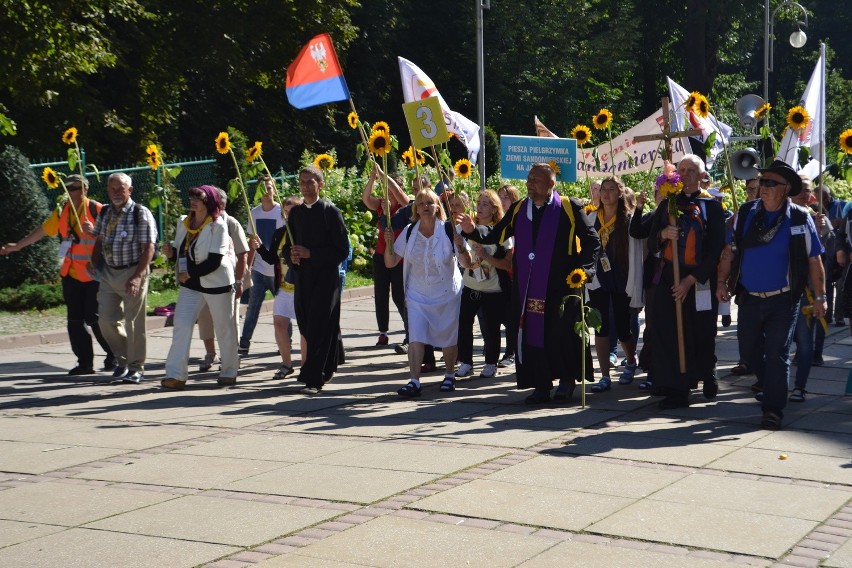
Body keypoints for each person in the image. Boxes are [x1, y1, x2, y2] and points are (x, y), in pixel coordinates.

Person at [460, 163, 601, 404]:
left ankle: (567, 381)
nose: (530, 183)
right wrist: (473, 231)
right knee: (534, 334)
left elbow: (592, 241)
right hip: (528, 286)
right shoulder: (518, 209)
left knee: (562, 334)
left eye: (536, 179)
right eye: (529, 178)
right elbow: (497, 235)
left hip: (561, 285)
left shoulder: (568, 206)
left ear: (551, 184)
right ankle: (541, 384)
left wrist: (583, 271)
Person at [717, 160, 826, 430]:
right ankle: (770, 383)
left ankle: (773, 409)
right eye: (762, 181)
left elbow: (814, 261)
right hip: (749, 298)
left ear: (785, 189)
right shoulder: (745, 213)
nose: (763, 187)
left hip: (783, 299)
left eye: (770, 183)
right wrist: (721, 280)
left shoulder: (800, 218)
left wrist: (821, 297)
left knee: (777, 354)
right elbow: (729, 250)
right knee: (749, 351)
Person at [1, 174, 115, 375]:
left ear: (85, 189)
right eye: (68, 188)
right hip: (70, 273)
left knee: (95, 318)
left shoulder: (97, 209)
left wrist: (95, 232)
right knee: (74, 320)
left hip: (93, 275)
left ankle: (113, 355)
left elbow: (112, 238)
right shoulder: (62, 211)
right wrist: (17, 246)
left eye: (75, 188)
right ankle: (84, 363)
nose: (70, 191)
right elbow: (43, 230)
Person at [647, 154, 725, 409]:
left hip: (699, 279)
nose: (687, 174)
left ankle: (707, 370)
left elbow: (715, 250)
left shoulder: (712, 207)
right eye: (682, 170)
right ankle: (677, 388)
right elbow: (650, 241)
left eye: (692, 170)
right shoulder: (669, 203)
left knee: (702, 331)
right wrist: (662, 233)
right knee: (670, 330)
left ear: (702, 176)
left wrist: (691, 280)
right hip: (671, 277)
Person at [384, 188, 472, 396]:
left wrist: (460, 247)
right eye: (421, 203)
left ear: (437, 207)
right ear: (416, 208)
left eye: (430, 203)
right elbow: (390, 262)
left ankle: (449, 375)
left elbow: (468, 263)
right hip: (417, 294)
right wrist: (388, 242)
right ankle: (414, 381)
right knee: (416, 336)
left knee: (448, 337)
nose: (425, 206)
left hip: (446, 295)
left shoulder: (450, 230)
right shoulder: (409, 231)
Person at [279, 166, 350, 394]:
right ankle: (325, 367)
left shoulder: (331, 212)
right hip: (303, 279)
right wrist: (293, 259)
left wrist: (312, 254)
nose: (306, 186)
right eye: (302, 182)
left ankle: (314, 378)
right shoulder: (297, 213)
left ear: (320, 184)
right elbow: (288, 247)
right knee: (307, 326)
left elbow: (341, 250)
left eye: (310, 182)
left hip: (326, 280)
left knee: (319, 325)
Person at [160, 186, 238, 389]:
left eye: (199, 198)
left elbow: (214, 261)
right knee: (182, 325)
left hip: (217, 283)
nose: (193, 201)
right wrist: (170, 253)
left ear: (209, 202)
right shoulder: (184, 222)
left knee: (224, 328)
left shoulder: (217, 225)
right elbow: (180, 252)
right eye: (192, 197)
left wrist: (191, 273)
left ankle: (229, 370)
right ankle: (176, 375)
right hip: (191, 285)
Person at [90, 172, 157, 384]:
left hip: (133, 271)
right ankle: (123, 360)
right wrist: (93, 262)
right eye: (112, 189)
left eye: (121, 188)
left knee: (134, 323)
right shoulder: (106, 212)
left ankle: (137, 368)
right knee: (105, 320)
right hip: (109, 273)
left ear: (130, 190)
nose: (117, 192)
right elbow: (99, 239)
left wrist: (137, 277)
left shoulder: (140, 213)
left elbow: (149, 247)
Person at [585, 176, 642, 393]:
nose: (606, 193)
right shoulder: (591, 217)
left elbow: (635, 252)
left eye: (611, 189)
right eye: (604, 190)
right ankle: (605, 375)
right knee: (601, 327)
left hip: (621, 278)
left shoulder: (627, 219)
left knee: (622, 327)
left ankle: (630, 359)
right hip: (599, 279)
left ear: (619, 193)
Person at [456, 190, 513, 380]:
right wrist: (462, 249)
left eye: (485, 204)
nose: (479, 207)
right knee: (464, 324)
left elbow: (508, 264)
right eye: (478, 203)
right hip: (471, 285)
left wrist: (487, 256)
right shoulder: (470, 228)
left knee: (491, 328)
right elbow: (465, 262)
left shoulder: (502, 232)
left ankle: (490, 363)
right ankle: (466, 362)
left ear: (494, 209)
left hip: (493, 289)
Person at [250, 195, 307, 381]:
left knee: (304, 328)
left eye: (293, 211)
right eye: (286, 212)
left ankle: (306, 367)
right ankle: (287, 364)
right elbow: (271, 258)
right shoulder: (280, 233)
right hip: (284, 287)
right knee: (279, 324)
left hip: (303, 288)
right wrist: (258, 247)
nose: (289, 215)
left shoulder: (306, 233)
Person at [194, 187, 249, 372]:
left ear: (222, 204)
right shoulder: (200, 221)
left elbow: (242, 254)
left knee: (229, 320)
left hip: (229, 280)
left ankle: (230, 356)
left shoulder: (231, 223)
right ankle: (211, 353)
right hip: (204, 280)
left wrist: (239, 281)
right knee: (205, 318)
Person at [362, 166, 410, 350]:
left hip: (399, 257)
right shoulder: (382, 205)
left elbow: (399, 194)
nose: (388, 191)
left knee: (400, 296)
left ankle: (409, 332)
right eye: (386, 188)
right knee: (381, 294)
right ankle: (383, 332)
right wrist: (373, 178)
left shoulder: (405, 206)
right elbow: (366, 199)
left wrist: (383, 175)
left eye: (391, 188)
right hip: (381, 255)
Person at [239, 175, 283, 356]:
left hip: (276, 271)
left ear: (275, 190)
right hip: (258, 270)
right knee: (252, 309)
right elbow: (252, 243)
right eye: (263, 189)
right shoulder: (254, 213)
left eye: (270, 188)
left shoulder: (281, 213)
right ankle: (244, 344)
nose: (267, 192)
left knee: (281, 309)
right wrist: (247, 268)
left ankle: (285, 344)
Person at [730, 176, 762, 377]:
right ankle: (745, 360)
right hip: (746, 284)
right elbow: (730, 246)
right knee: (745, 328)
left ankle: (762, 372)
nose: (755, 194)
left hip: (771, 285)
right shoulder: (742, 213)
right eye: (750, 189)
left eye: (758, 189)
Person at [495, 184, 521, 369]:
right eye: (500, 197)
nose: (502, 201)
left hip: (514, 273)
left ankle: (511, 352)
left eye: (506, 197)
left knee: (512, 318)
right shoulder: (495, 220)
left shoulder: (518, 218)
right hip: (497, 275)